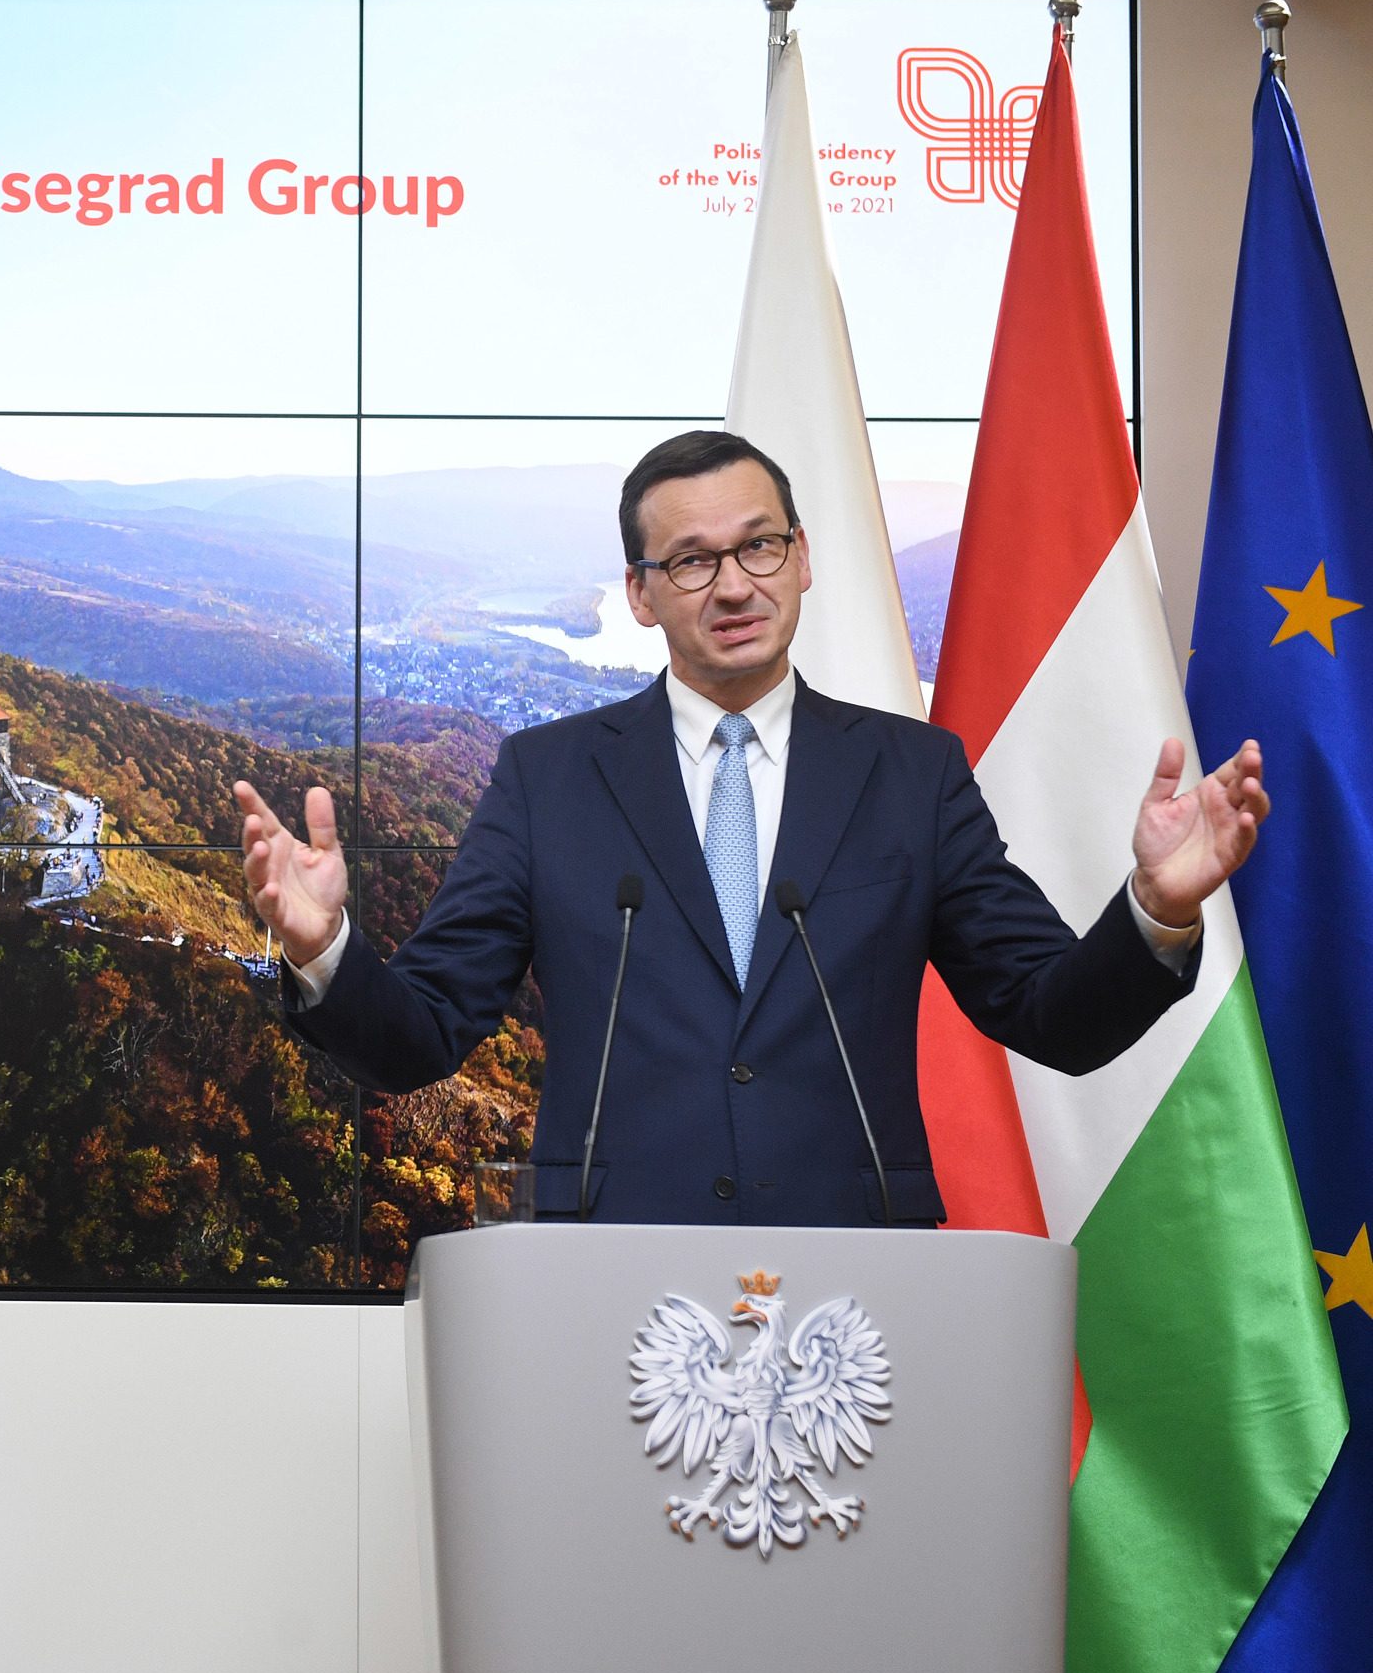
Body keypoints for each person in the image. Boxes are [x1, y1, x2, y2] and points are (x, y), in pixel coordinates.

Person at [234, 431, 1269, 1225]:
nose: (732, 584)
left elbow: (1051, 1014)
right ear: (638, 594)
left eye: (757, 546)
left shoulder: (910, 773)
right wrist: (324, 947)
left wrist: (1154, 909)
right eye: (688, 561)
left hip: (852, 1281)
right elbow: (419, 1033)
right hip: (612, 1271)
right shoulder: (546, 778)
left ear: (802, 559)